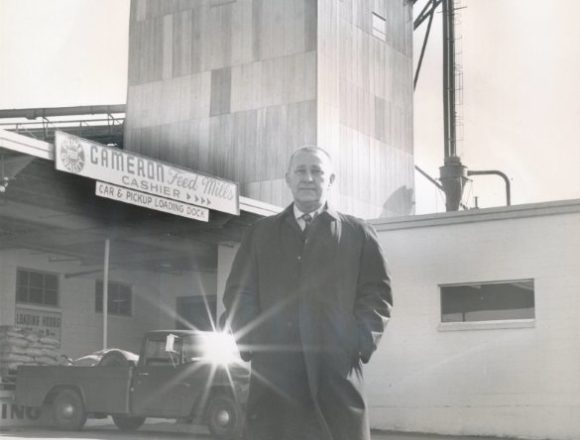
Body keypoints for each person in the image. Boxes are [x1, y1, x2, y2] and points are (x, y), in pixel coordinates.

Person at [223, 146, 392, 440]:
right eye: (300, 171)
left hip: (337, 375)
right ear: (288, 179)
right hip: (275, 378)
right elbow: (239, 292)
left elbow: (377, 294)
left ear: (331, 180)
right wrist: (253, 343)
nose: (308, 178)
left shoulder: (358, 233)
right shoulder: (260, 233)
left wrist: (358, 343)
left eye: (317, 171)